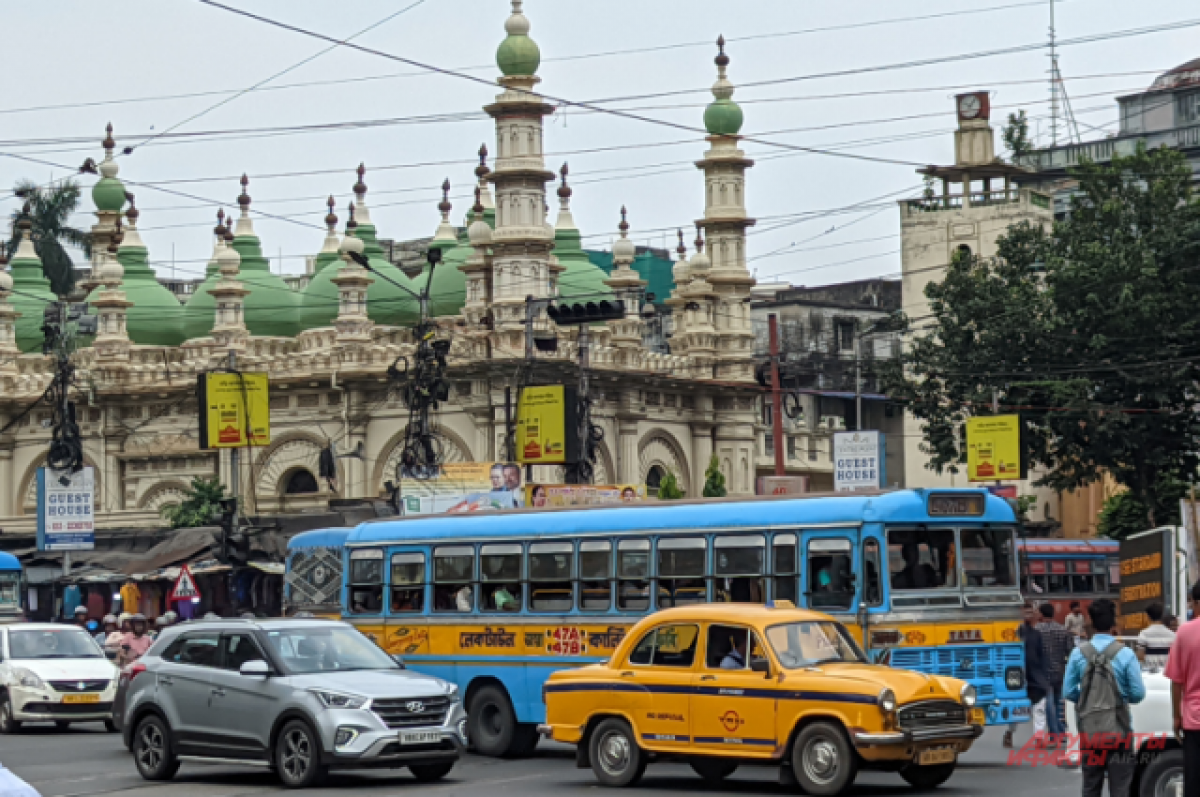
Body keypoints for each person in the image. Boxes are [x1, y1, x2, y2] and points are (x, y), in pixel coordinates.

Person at [1064, 598, 1146, 797]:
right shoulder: (1126, 654)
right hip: (1119, 730)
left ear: (1090, 622)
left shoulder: (1078, 654)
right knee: (1120, 788)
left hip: (1090, 731)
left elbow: (1068, 691)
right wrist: (1120, 696)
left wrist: (1087, 699)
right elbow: (1138, 694)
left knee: (1091, 786)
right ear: (1114, 624)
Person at [1166, 581, 1200, 797]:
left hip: (1194, 719)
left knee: (1194, 780)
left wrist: (1176, 717)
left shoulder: (1185, 632)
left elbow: (1176, 681)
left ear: (1196, 602)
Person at [1004, 602, 1051, 748]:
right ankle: (1010, 732)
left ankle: (1038, 737)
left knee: (1040, 706)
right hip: (1017, 675)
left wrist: (1044, 674)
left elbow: (1041, 655)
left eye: (1031, 613)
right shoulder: (1014, 633)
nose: (1028, 615)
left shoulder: (1037, 634)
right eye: (1026, 612)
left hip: (1035, 675)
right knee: (1016, 707)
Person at [1035, 602, 1072, 741]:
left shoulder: (1037, 630)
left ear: (1041, 614)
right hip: (1060, 670)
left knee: (1048, 704)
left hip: (1043, 672)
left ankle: (1054, 733)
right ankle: (1061, 731)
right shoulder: (1062, 630)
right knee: (1059, 702)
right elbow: (1071, 650)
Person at [1136, 601, 1176, 670]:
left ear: (1148, 616)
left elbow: (1140, 655)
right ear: (1162, 615)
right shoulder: (1172, 635)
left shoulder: (1144, 634)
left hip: (1150, 671)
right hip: (1167, 671)